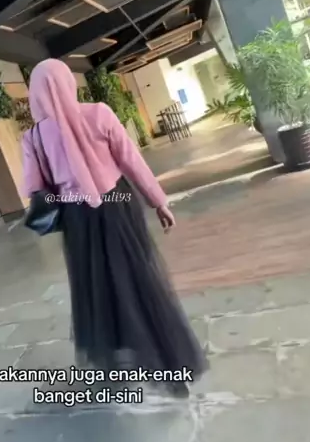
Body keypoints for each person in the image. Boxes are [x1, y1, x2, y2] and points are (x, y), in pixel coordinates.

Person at [22, 58, 207, 397]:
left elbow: (34, 188)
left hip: (78, 218)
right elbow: (131, 161)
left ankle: (119, 357)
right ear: (68, 83)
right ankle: (169, 365)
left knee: (98, 284)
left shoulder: (33, 137)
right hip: (118, 206)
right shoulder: (99, 113)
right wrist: (158, 201)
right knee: (139, 276)